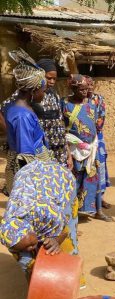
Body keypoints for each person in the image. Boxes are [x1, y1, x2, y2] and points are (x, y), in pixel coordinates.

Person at [0, 160, 78, 280]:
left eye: (31, 244)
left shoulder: (49, 214)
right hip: (26, 176)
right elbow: (18, 247)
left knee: (66, 239)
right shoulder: (8, 228)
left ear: (31, 230)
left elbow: (65, 230)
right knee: (25, 258)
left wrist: (56, 240)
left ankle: (71, 275)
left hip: (59, 177)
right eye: (26, 247)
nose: (31, 248)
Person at [2, 49, 53, 194]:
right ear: (33, 90)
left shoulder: (15, 108)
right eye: (43, 90)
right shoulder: (22, 116)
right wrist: (34, 184)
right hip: (31, 170)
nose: (44, 94)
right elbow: (26, 156)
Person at [61, 74, 111, 222]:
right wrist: (69, 150)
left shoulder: (91, 104)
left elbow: (95, 125)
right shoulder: (64, 104)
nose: (85, 92)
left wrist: (92, 143)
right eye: (81, 89)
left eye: (86, 89)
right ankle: (71, 215)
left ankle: (97, 210)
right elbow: (62, 128)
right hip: (74, 150)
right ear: (73, 89)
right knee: (74, 182)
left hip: (91, 148)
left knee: (93, 179)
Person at [35, 58, 71, 168]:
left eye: (54, 79)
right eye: (49, 78)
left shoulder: (55, 95)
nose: (52, 82)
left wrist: (68, 153)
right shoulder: (34, 96)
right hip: (43, 150)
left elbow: (60, 123)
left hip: (60, 150)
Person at [86, 76, 111, 209]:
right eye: (86, 84)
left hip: (96, 137)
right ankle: (87, 200)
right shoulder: (78, 100)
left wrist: (89, 132)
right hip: (81, 140)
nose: (89, 87)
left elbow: (101, 120)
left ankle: (99, 198)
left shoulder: (99, 99)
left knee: (100, 166)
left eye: (91, 84)